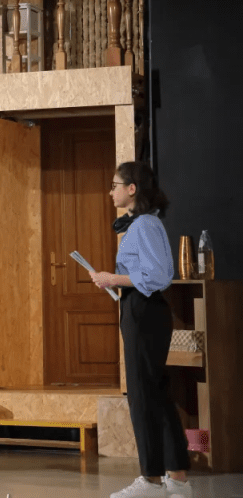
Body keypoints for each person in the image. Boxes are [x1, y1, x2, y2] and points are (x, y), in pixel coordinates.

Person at [92, 162, 191, 498]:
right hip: (141, 308)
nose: (111, 192)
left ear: (132, 189)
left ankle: (151, 480)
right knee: (156, 396)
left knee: (142, 397)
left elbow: (158, 275)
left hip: (144, 311)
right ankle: (177, 480)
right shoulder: (143, 223)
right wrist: (114, 282)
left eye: (115, 185)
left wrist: (112, 278)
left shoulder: (145, 225)